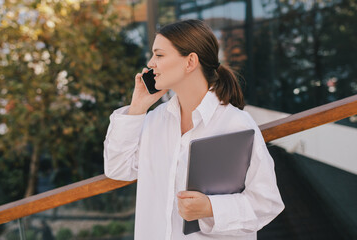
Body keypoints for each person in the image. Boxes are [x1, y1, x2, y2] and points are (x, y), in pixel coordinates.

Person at [104, 19, 284, 240]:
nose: (151, 63)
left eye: (159, 55)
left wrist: (211, 208)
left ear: (190, 62)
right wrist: (137, 107)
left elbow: (267, 203)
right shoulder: (153, 121)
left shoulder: (236, 124)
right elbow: (117, 168)